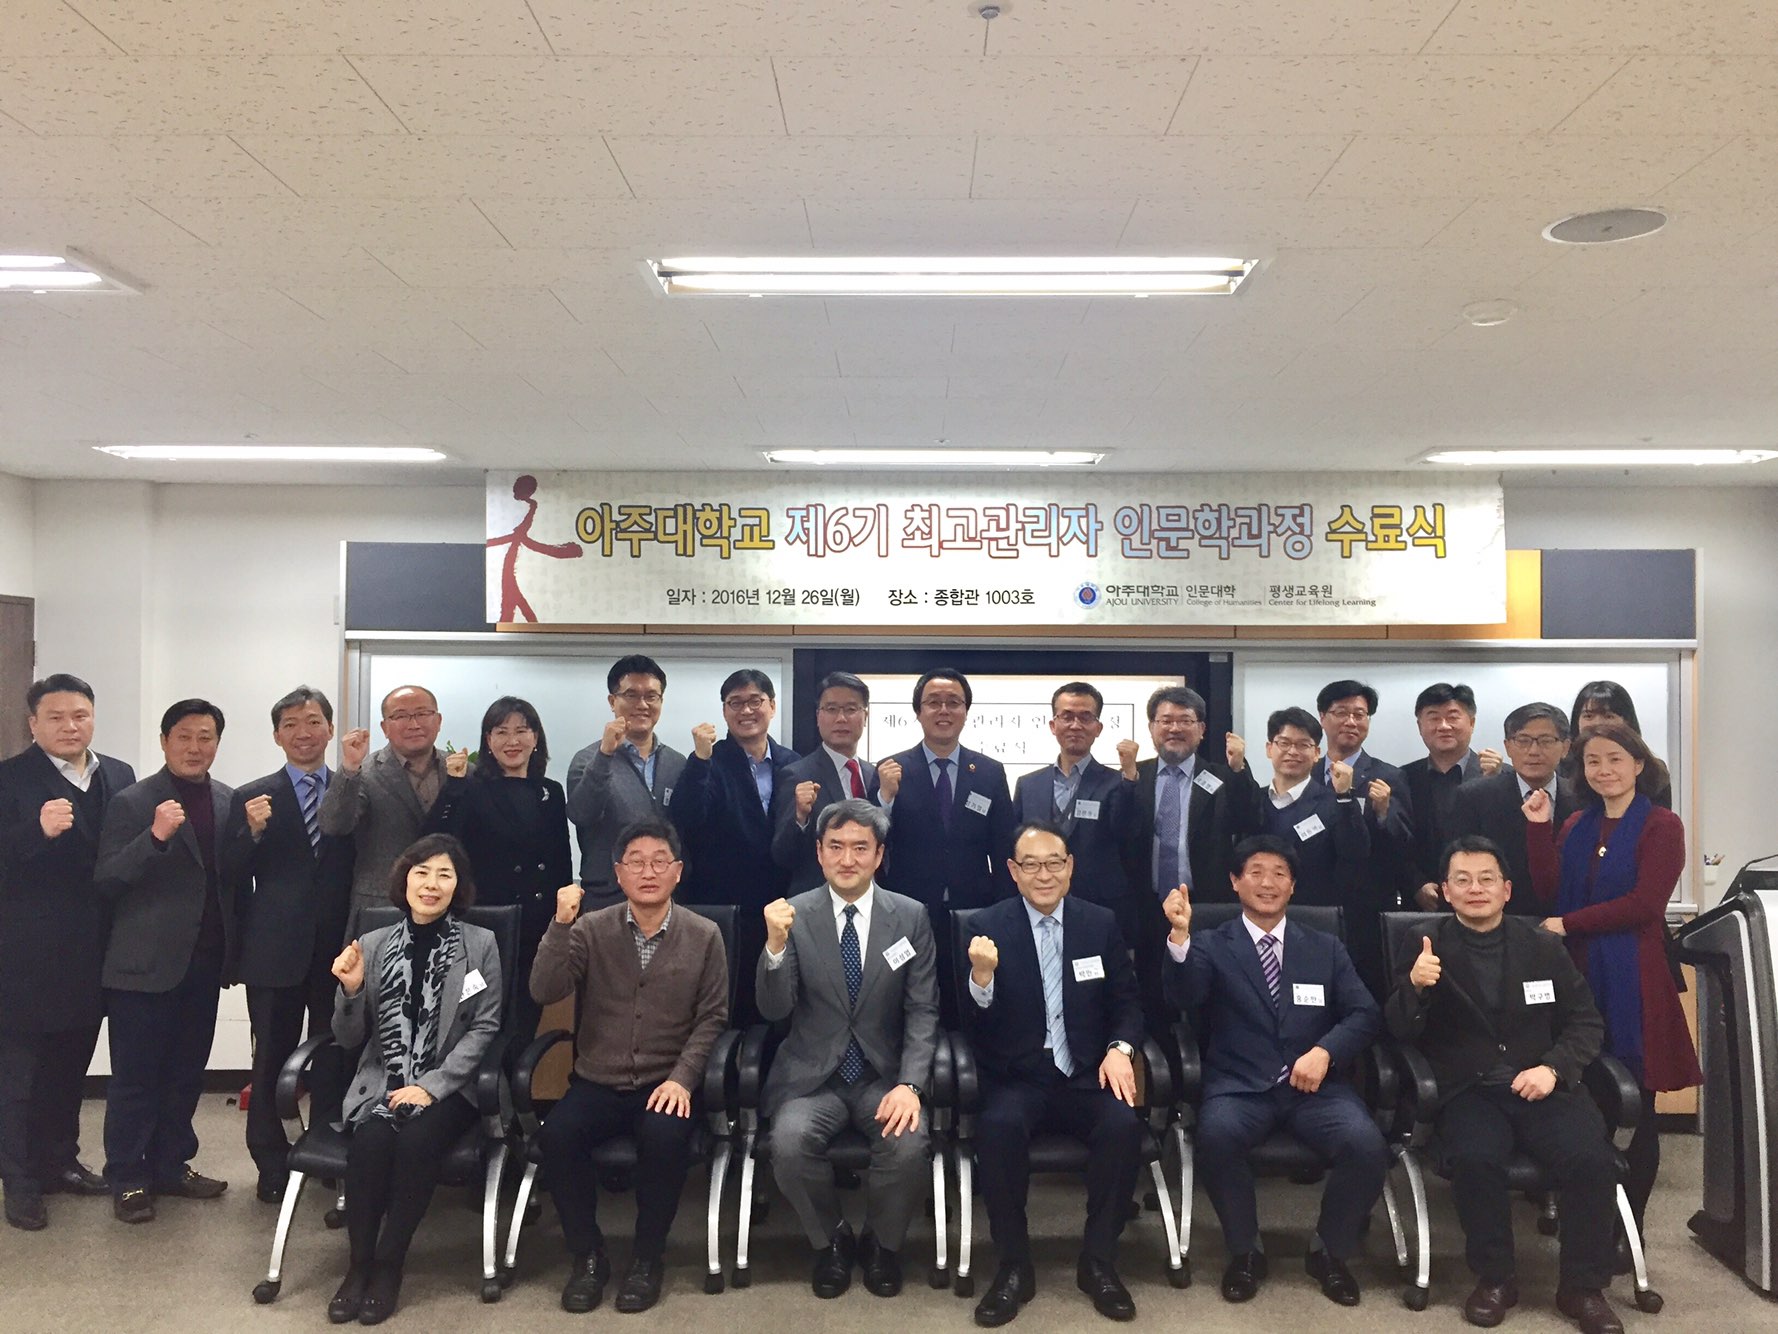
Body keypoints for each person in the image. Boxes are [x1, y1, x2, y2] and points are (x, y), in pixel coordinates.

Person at [1387, 836, 1622, 1334]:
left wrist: (1553, 1068)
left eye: (1486, 879)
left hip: (1542, 1083)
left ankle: (1582, 1287)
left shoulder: (1543, 946)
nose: (1475, 889)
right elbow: (1399, 1031)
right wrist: (1415, 988)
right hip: (1467, 1090)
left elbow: (1585, 1022)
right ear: (1445, 891)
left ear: (1507, 889)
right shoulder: (1424, 943)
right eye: (1463, 880)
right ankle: (1496, 1279)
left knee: (1592, 1159)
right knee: (1477, 1159)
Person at [1162, 834, 1386, 1306]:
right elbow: (1184, 996)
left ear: (1293, 886)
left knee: (1367, 1145)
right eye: (1256, 873)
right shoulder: (1210, 943)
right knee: (1217, 1137)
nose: (1268, 883)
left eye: (1280, 874)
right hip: (1240, 1085)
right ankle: (1245, 1252)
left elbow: (1364, 1013)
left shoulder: (1325, 946)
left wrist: (1325, 1052)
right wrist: (1180, 939)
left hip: (1316, 1087)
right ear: (1235, 882)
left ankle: (1329, 1251)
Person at [531, 817, 728, 1315]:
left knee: (664, 1137)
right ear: (617, 873)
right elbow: (544, 989)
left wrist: (683, 1079)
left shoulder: (705, 935)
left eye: (659, 862)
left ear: (677, 871)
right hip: (597, 1080)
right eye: (636, 863)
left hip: (666, 1081)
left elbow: (712, 1018)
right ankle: (587, 1257)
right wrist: (560, 925)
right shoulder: (591, 929)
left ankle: (646, 1258)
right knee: (558, 1135)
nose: (648, 872)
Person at [1526, 722, 1700, 1257]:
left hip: (1632, 976)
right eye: (1593, 761)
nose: (1604, 770)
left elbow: (1645, 905)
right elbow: (1550, 890)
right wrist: (1538, 830)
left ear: (1638, 765)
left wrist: (1569, 924)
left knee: (1635, 1105)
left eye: (1615, 759)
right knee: (1581, 1101)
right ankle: (1588, 1219)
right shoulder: (1577, 822)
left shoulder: (1662, 825)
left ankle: (1630, 1230)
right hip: (1575, 974)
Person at [964, 822, 1145, 1327]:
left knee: (1123, 1126)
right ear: (1012, 871)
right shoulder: (986, 926)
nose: (1043, 875)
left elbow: (1128, 1003)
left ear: (1070, 867)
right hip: (1018, 1075)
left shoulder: (1099, 923)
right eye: (1031, 865)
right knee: (997, 1129)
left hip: (1087, 1071)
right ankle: (1013, 1266)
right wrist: (982, 978)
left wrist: (1120, 1049)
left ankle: (1099, 1261)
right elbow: (969, 1022)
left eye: (1053, 863)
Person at [757, 798, 939, 1300]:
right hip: (813, 1077)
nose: (847, 859)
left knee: (908, 1144)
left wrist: (910, 1085)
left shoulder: (910, 916)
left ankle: (882, 1242)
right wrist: (774, 947)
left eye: (860, 848)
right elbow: (773, 1009)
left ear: (879, 855)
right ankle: (832, 1239)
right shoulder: (793, 914)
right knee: (788, 1143)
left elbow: (923, 1010)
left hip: (883, 1076)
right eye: (835, 847)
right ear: (818, 853)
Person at [326, 834, 502, 1326]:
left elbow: (485, 1026)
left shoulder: (480, 944)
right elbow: (347, 1038)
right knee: (370, 1144)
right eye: (421, 872)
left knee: (417, 1142)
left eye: (444, 874)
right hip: (385, 1081)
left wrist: (432, 1086)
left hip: (451, 1087)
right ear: (404, 880)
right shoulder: (373, 944)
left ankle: (388, 1266)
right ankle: (358, 1266)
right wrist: (351, 991)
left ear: (458, 887)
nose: (431, 884)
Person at [0, 674, 135, 1231]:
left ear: (93, 718)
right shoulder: (9, 778)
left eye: (79, 715)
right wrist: (36, 832)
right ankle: (20, 1182)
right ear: (33, 723)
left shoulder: (119, 774)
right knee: (19, 1079)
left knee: (69, 1070)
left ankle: (61, 1162)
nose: (69, 726)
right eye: (55, 717)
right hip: (26, 956)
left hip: (96, 951)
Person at [95, 699, 237, 1225]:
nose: (195, 747)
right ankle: (128, 1176)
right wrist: (153, 838)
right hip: (143, 966)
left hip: (203, 965)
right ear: (164, 741)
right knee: (136, 1079)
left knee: (185, 1075)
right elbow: (107, 878)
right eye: (184, 736)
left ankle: (171, 1166)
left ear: (217, 742)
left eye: (206, 737)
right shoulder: (134, 801)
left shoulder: (226, 800)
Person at [222, 686, 356, 1204]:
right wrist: (251, 833)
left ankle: (324, 1149)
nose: (304, 732)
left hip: (339, 949)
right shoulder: (252, 796)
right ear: (277, 735)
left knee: (334, 1055)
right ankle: (270, 1160)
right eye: (292, 724)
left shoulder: (351, 791)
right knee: (271, 1059)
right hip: (273, 951)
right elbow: (230, 874)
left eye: (314, 721)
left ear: (329, 729)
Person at [426, 695, 570, 1050]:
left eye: (522, 730)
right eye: (501, 732)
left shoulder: (550, 792)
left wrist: (562, 921)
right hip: (483, 927)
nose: (512, 740)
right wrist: (453, 786)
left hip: (536, 928)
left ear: (536, 738)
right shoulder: (470, 789)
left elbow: (560, 861)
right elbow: (435, 843)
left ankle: (512, 1083)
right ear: (488, 741)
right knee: (476, 1020)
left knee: (524, 1021)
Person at [879, 668, 1016, 1025]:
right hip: (909, 907)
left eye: (953, 702)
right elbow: (876, 843)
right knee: (909, 995)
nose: (944, 710)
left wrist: (1003, 910)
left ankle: (967, 1053)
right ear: (918, 711)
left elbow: (1004, 847)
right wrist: (884, 799)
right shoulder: (892, 769)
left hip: (973, 908)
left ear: (966, 711)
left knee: (967, 997)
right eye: (933, 702)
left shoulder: (989, 772)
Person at [1126, 685, 1263, 1032]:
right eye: (1166, 720)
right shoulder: (1133, 776)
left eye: (1185, 720)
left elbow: (1250, 820)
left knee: (1210, 997)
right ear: (1152, 727)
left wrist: (1239, 769)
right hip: (1148, 906)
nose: (1174, 728)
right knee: (1152, 995)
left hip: (1207, 907)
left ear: (1201, 729)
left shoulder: (1222, 777)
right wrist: (1126, 780)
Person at [671, 669, 799, 1026]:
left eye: (755, 701)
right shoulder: (708, 760)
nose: (746, 711)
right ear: (725, 711)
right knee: (723, 1009)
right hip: (722, 908)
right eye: (735, 703)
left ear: (772, 706)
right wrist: (700, 759)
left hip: (779, 907)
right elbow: (685, 817)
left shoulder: (793, 763)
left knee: (778, 1004)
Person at [1237, 708, 1381, 992]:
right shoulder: (1252, 802)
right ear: (1269, 748)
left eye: (1303, 745)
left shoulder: (1335, 802)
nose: (1293, 751)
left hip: (1314, 921)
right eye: (1284, 743)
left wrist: (1345, 796)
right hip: (1257, 920)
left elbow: (1356, 853)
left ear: (1316, 754)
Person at [1431, 702, 1580, 912]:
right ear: (1508, 746)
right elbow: (1455, 865)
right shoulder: (1474, 797)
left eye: (1546, 741)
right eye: (1523, 741)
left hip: (1568, 917)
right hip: (1497, 919)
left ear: (1565, 747)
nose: (1534, 751)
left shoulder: (1583, 799)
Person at [318, 684, 448, 923]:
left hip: (446, 905)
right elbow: (334, 826)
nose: (413, 724)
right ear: (384, 727)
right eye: (400, 716)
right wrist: (349, 768)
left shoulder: (462, 772)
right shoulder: (364, 772)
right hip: (381, 906)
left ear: (438, 721)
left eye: (422, 713)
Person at [566, 655, 686, 912]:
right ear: (613, 701)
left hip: (665, 901)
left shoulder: (677, 763)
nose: (642, 704)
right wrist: (605, 754)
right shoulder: (587, 760)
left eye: (651, 696)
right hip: (606, 901)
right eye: (631, 695)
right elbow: (581, 814)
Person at [1013, 683, 1137, 926]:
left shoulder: (1117, 783)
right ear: (1053, 725)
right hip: (1038, 903)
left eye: (1085, 717)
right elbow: (1015, 844)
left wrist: (1130, 777)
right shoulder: (1028, 785)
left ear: (1098, 728)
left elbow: (1128, 833)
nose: (1075, 725)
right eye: (1067, 716)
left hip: (1099, 907)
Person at [770, 671, 880, 894]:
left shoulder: (873, 774)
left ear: (865, 716)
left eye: (851, 709)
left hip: (871, 899)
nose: (841, 718)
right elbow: (782, 855)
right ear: (818, 716)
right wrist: (800, 817)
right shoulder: (797, 775)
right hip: (817, 901)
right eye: (831, 709)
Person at [1317, 679, 1416, 913]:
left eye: (1359, 715)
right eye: (1341, 713)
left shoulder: (1389, 776)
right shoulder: (1307, 773)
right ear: (1322, 717)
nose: (1351, 722)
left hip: (1368, 903)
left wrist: (1383, 814)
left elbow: (1405, 845)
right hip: (1313, 900)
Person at [1400, 683, 1500, 890]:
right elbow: (1398, 842)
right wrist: (1416, 884)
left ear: (1471, 722)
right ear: (1420, 726)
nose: (1444, 726)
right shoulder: (1402, 778)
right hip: (1422, 898)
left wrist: (1494, 783)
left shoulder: (1500, 776)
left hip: (1482, 894)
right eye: (1434, 718)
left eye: (1453, 717)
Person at [1561, 681, 1672, 809]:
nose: (1597, 723)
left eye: (1608, 716)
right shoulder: (1561, 768)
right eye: (1589, 716)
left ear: (1627, 722)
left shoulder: (1652, 771)